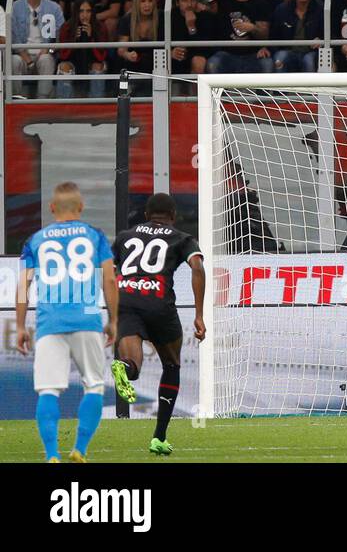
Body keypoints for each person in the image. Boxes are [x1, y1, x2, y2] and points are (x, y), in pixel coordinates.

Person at [15, 181, 117, 463]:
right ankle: (80, 450)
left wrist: (21, 325)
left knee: (49, 389)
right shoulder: (95, 236)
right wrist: (113, 319)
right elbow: (109, 278)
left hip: (50, 320)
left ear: (51, 208)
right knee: (94, 385)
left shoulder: (35, 240)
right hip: (86, 317)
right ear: (81, 208)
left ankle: (51, 455)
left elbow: (23, 284)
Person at [108, 192, 205, 457]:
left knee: (133, 366)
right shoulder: (181, 237)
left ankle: (124, 368)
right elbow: (197, 267)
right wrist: (199, 315)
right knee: (171, 365)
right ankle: (159, 437)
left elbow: (108, 268)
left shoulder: (125, 236)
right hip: (158, 303)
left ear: (146, 215)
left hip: (125, 299)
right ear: (173, 216)